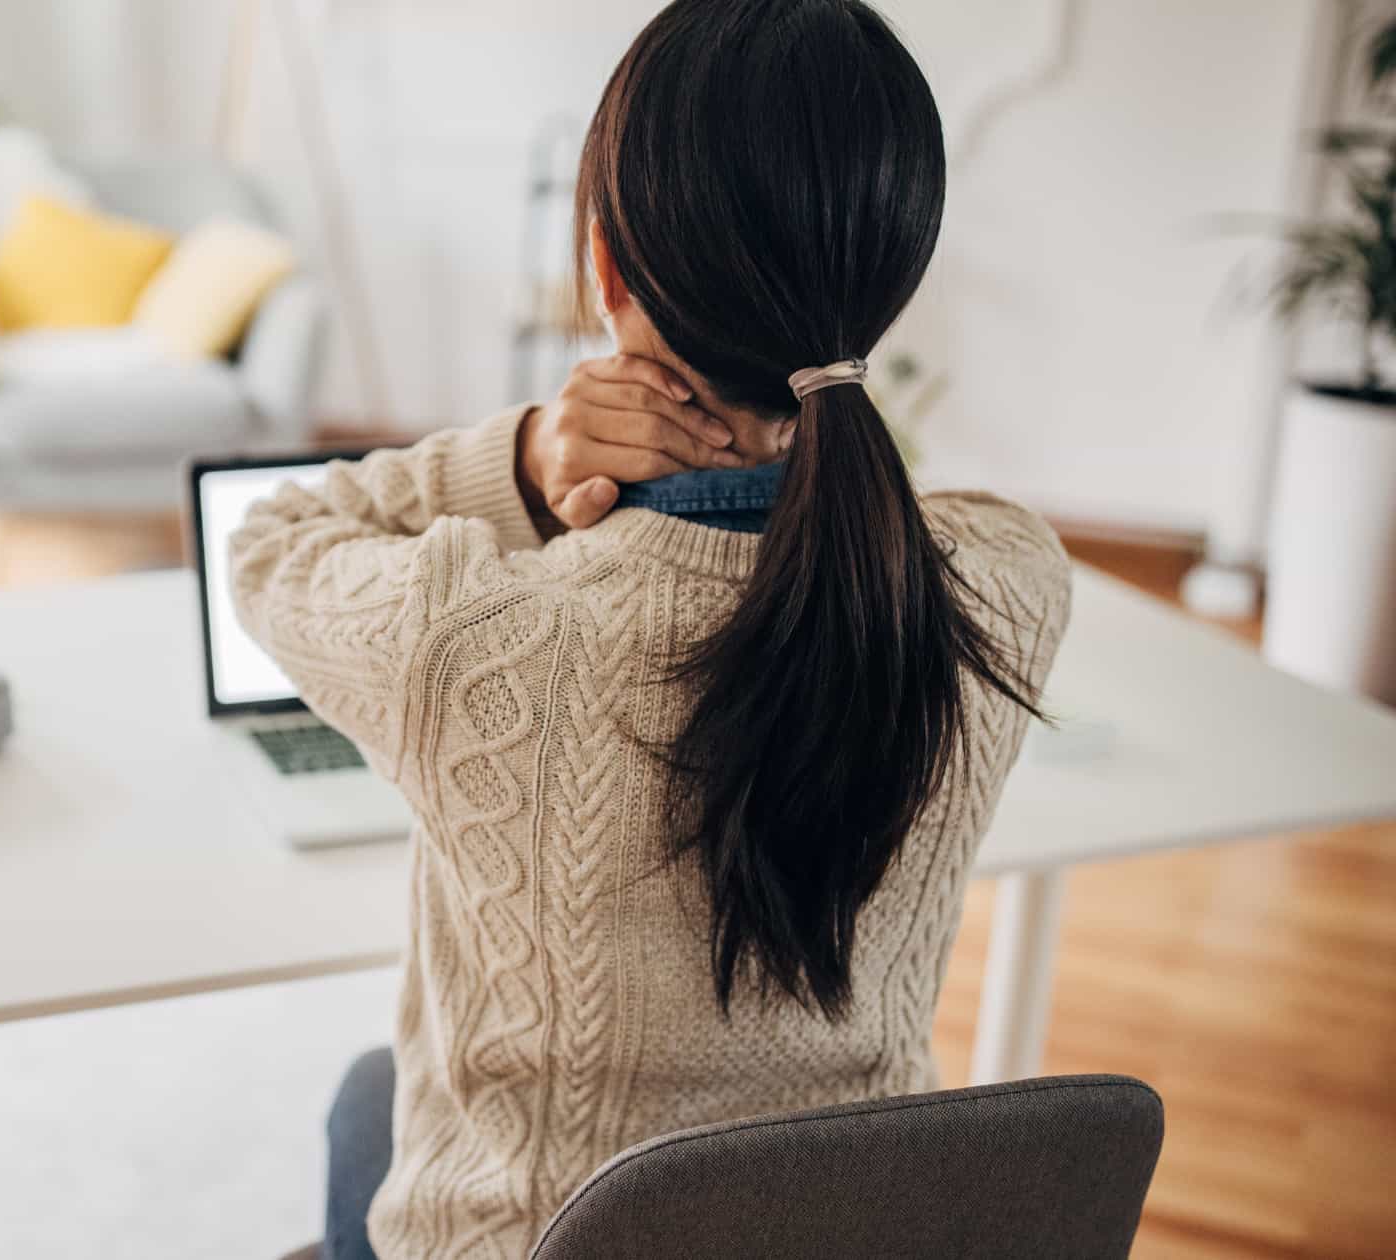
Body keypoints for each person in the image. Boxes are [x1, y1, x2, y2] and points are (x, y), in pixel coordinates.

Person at [228, 3, 1073, 1257]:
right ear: (883, 282)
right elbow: (898, 511)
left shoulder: (471, 628)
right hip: (845, 1236)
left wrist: (521, 459)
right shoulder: (1004, 584)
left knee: (365, 1103)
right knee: (367, 1097)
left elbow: (271, 543)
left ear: (608, 272)